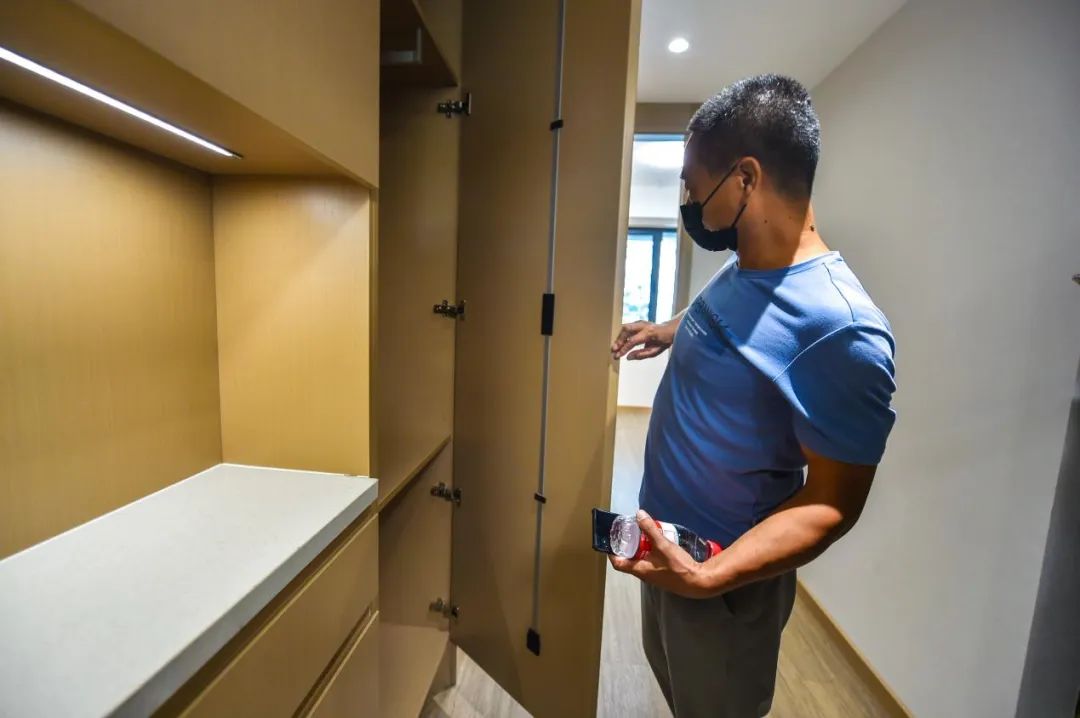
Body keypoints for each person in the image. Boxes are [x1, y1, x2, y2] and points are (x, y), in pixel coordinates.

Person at [609, 74, 897, 718]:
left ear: (744, 180)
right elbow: (728, 321)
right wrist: (666, 330)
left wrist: (708, 576)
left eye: (693, 185)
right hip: (669, 544)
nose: (689, 201)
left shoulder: (841, 329)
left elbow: (833, 502)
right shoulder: (746, 264)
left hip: (722, 578)